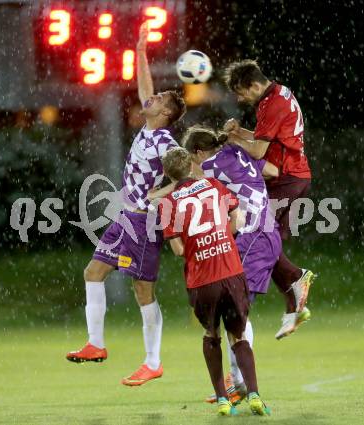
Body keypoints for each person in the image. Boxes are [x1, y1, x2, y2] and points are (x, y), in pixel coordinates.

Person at [66, 23, 186, 387]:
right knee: (93, 273)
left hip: (145, 225)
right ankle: (96, 344)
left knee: (142, 292)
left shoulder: (165, 140)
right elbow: (144, 87)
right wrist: (140, 52)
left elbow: (186, 172)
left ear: (165, 113)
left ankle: (153, 361)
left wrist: (161, 194)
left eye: (161, 99)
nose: (152, 98)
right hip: (125, 219)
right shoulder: (150, 129)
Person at [159, 147, 271, 417]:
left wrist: (198, 246)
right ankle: (254, 394)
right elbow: (236, 217)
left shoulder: (167, 203)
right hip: (231, 272)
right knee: (239, 335)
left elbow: (177, 250)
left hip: (202, 279)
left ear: (168, 174)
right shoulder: (213, 184)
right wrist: (222, 238)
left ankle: (223, 399)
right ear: (190, 166)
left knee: (212, 335)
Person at [223, 59, 315, 339]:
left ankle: (296, 280)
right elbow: (268, 140)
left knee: (258, 240)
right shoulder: (276, 96)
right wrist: (239, 133)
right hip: (291, 176)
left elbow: (260, 151)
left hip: (286, 178)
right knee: (266, 243)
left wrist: (232, 141)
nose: (240, 99)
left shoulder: (272, 103)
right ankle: (293, 304)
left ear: (253, 85)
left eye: (241, 92)